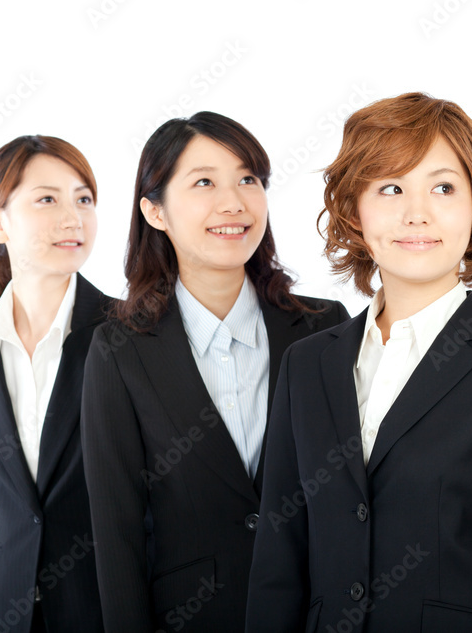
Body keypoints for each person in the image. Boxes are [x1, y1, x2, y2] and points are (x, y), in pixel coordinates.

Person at [246, 93, 472, 632]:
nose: (416, 213)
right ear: (354, 211)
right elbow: (277, 563)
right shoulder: (307, 366)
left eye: (443, 187)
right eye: (391, 188)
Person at [80, 111, 349, 632]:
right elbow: (117, 536)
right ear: (155, 212)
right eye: (204, 182)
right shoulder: (119, 351)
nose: (235, 202)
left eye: (249, 179)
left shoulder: (325, 329)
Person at [0, 135, 107, 633]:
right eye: (47, 199)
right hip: (7, 606)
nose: (72, 217)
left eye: (84, 199)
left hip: (107, 603)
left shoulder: (129, 335)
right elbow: (11, 504)